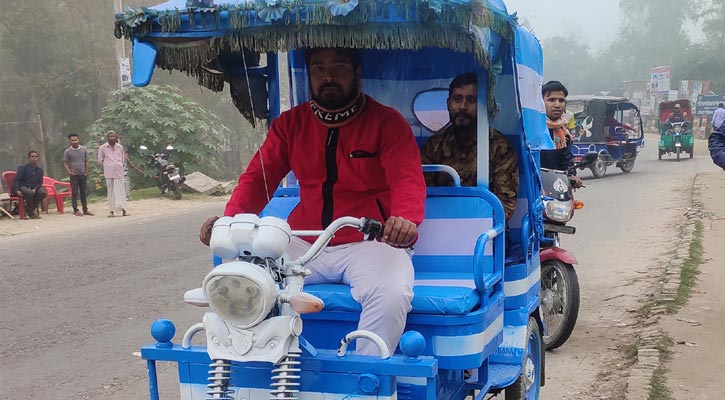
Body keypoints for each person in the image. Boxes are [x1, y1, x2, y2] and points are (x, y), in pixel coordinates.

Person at [199, 47, 426, 356]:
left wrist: (405, 219)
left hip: (371, 241)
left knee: (392, 293)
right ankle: (255, 363)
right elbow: (257, 180)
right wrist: (229, 221)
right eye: (319, 68)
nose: (328, 76)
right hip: (304, 243)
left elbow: (406, 177)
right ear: (309, 75)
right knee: (244, 278)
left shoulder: (387, 122)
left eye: (339, 67)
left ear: (357, 72)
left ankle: (366, 377)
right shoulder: (290, 125)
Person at [419, 73, 519, 222]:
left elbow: (504, 206)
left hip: (487, 231)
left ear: (483, 105)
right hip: (441, 225)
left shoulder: (500, 148)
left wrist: (470, 228)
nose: (463, 107)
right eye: (457, 99)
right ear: (448, 103)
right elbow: (422, 196)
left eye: (471, 100)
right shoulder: (434, 146)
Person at [540, 81, 582, 188]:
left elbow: (567, 162)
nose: (557, 105)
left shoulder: (564, 134)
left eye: (561, 100)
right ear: (540, 102)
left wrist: (571, 176)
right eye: (551, 100)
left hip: (555, 188)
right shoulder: (532, 130)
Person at [97, 131, 129, 217]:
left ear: (116, 137)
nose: (112, 138)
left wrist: (118, 164)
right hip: (109, 172)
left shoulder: (120, 147)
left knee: (121, 190)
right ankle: (111, 211)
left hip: (119, 171)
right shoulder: (103, 148)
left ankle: (124, 210)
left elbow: (122, 159)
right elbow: (100, 160)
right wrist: (108, 165)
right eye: (110, 136)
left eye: (113, 136)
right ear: (107, 137)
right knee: (111, 191)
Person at [63, 133, 94, 216]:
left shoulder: (84, 149)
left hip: (83, 174)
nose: (74, 142)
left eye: (76, 140)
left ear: (78, 140)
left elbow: (87, 161)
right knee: (75, 192)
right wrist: (69, 172)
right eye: (72, 140)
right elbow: (65, 163)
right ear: (70, 141)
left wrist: (86, 171)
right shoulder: (67, 151)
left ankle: (85, 209)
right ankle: (75, 209)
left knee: (83, 192)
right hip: (74, 175)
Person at [12, 151, 47, 219]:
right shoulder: (22, 168)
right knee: (29, 193)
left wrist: (35, 189)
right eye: (32, 157)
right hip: (22, 187)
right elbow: (17, 180)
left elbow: (39, 183)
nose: (34, 158)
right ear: (29, 158)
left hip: (33, 188)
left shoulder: (40, 170)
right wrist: (17, 190)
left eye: (35, 157)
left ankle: (27, 210)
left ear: (37, 158)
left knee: (43, 193)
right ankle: (31, 213)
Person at [709, 103, 725, 171]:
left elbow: (714, 119)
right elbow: (717, 138)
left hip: (717, 126)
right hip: (721, 128)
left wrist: (712, 127)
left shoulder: (716, 111)